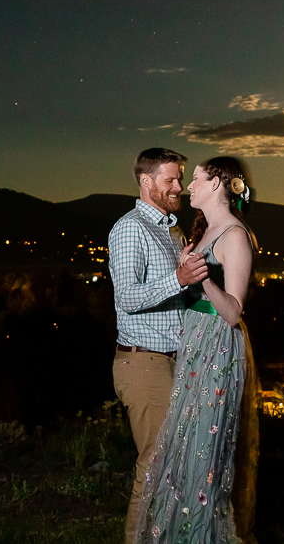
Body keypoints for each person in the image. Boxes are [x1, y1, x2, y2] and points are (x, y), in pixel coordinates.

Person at [134, 156, 259, 543]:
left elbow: (234, 312)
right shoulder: (204, 233)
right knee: (183, 451)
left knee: (205, 452)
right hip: (194, 346)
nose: (189, 186)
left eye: (199, 179)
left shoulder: (235, 236)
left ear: (219, 185)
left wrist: (201, 279)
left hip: (217, 351)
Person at [110, 148, 211, 543]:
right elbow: (129, 299)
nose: (179, 187)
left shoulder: (171, 229)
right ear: (146, 181)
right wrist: (179, 279)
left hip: (173, 362)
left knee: (179, 461)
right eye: (171, 179)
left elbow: (176, 299)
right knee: (154, 463)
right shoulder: (130, 228)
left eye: (180, 178)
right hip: (142, 364)